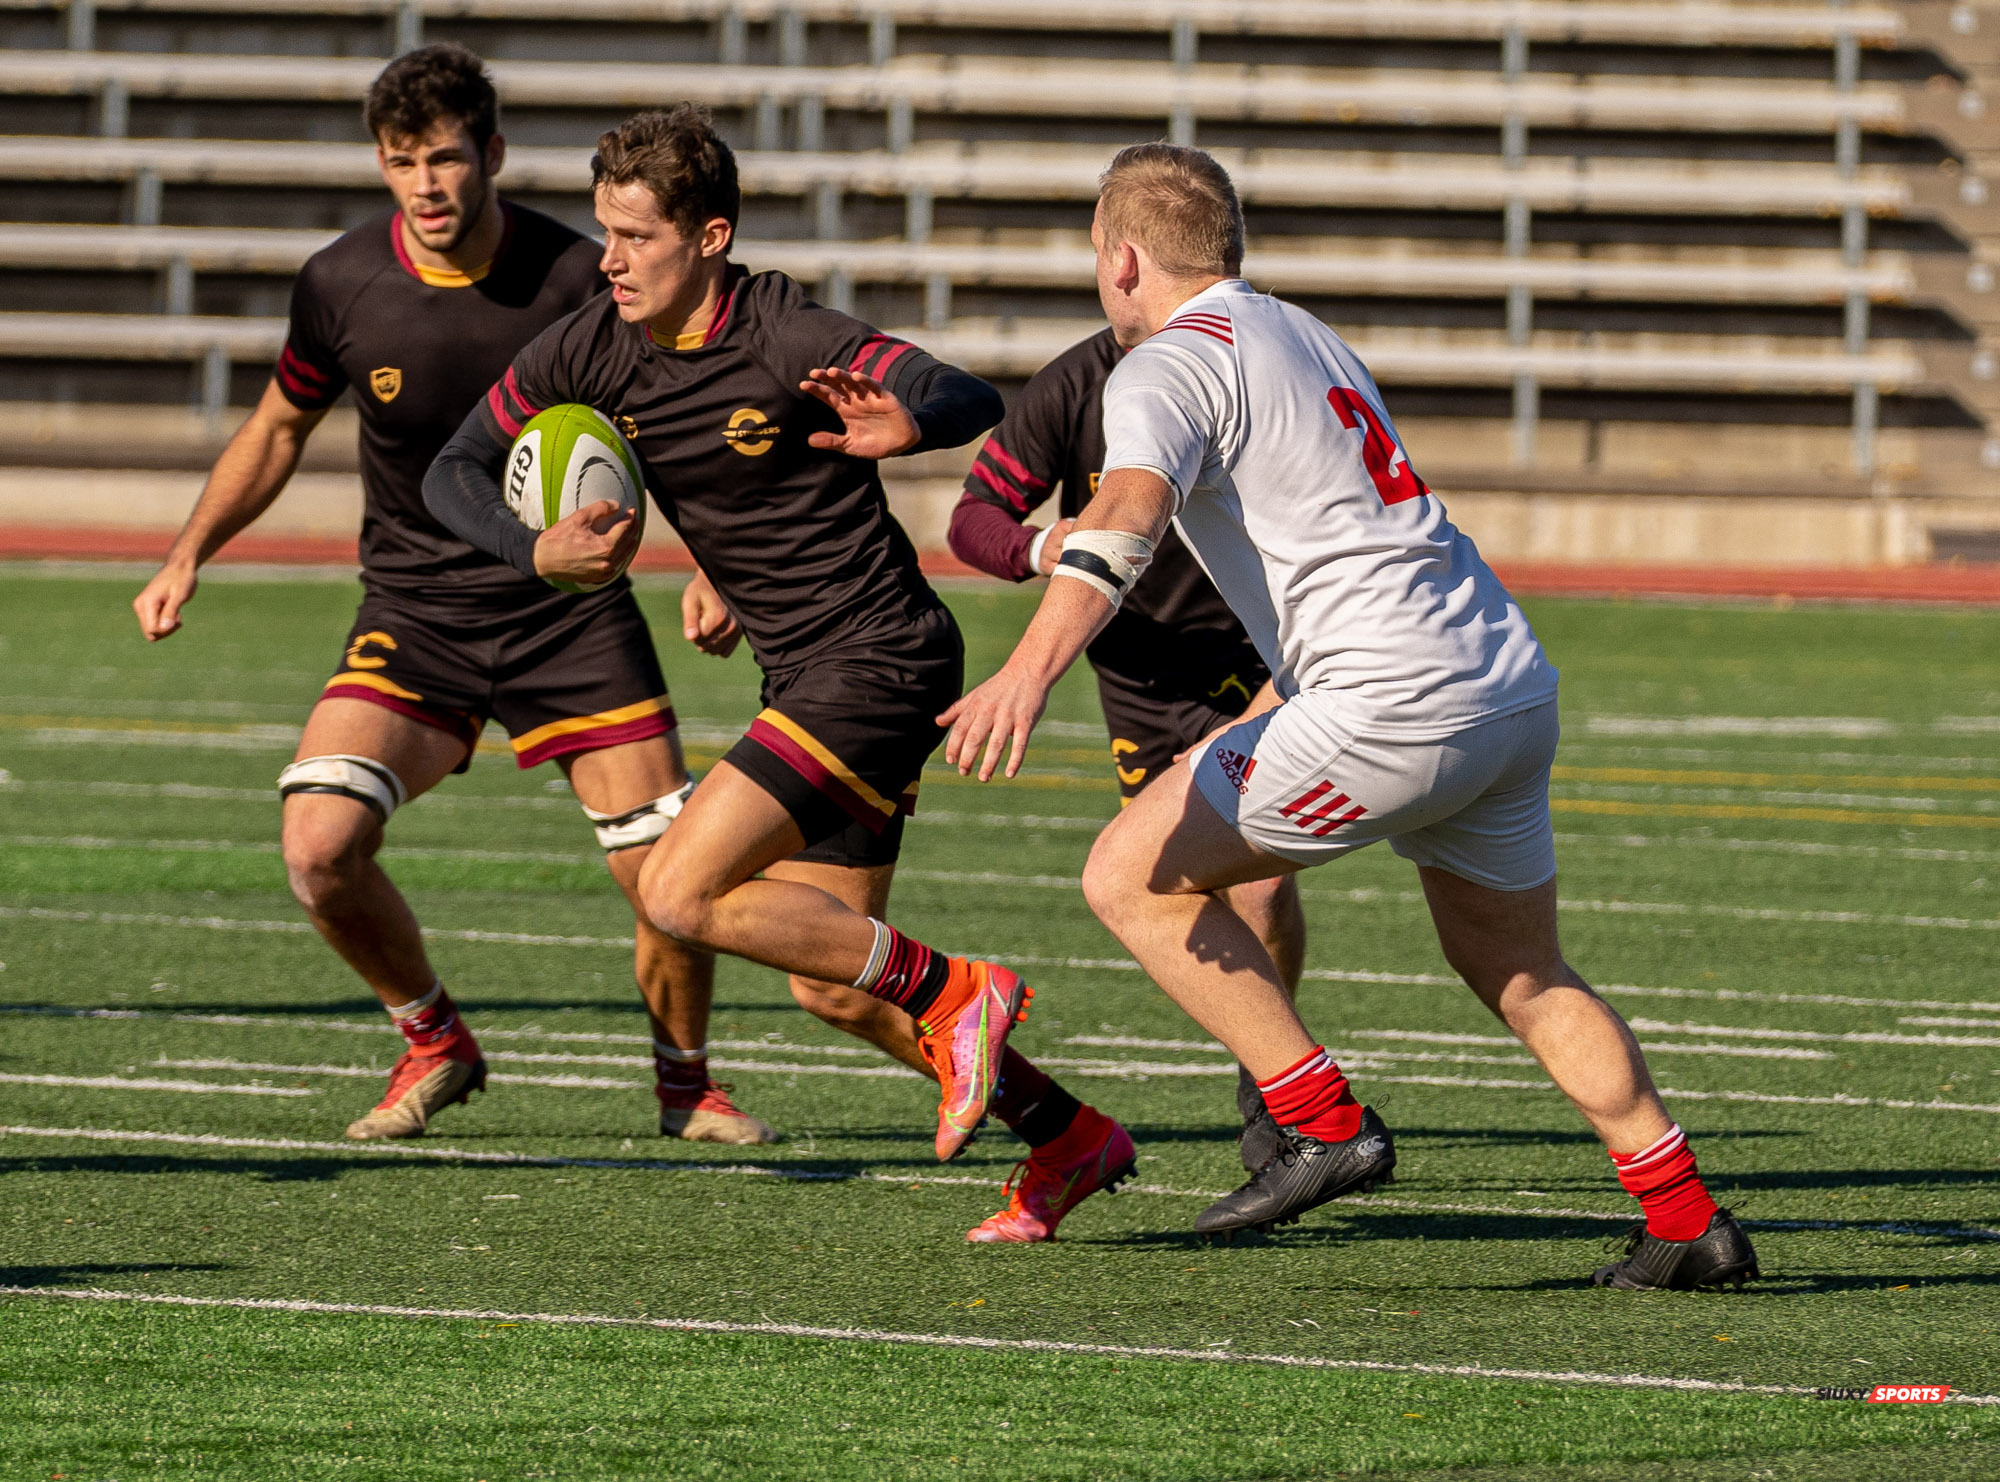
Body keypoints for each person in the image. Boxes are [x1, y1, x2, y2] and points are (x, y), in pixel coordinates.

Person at [940, 142, 1759, 1290]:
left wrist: (1025, 670)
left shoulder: (1163, 364)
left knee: (1126, 877)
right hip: (1502, 678)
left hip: (1393, 702)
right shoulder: (1301, 332)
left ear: (1121, 258)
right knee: (1522, 970)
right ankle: (1684, 1220)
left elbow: (1124, 514)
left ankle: (1319, 1123)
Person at [424, 105, 1136, 1242]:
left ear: (710, 238)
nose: (609, 261)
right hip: (804, 671)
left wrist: (909, 424)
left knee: (676, 892)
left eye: (637, 238)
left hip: (881, 656)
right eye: (605, 233)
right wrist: (534, 548)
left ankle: (961, 991)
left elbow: (964, 394)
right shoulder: (590, 345)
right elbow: (455, 469)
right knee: (833, 982)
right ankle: (1067, 1136)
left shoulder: (789, 332)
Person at [130, 45, 775, 1148]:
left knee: (668, 875)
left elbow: (680, 417)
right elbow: (279, 426)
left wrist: (716, 565)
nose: (424, 185)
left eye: (444, 158)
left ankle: (686, 1086)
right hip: (416, 613)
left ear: (493, 153)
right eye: (401, 162)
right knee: (317, 846)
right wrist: (189, 551)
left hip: (570, 618)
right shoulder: (340, 282)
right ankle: (433, 1041)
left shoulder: (580, 277)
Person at [946, 329, 1308, 1172]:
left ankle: (1275, 1088)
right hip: (1141, 674)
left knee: (1260, 882)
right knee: (1164, 881)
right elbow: (973, 520)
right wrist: (1042, 546)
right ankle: (1279, 1069)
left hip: (1265, 653)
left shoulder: (1259, 359)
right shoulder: (1076, 382)